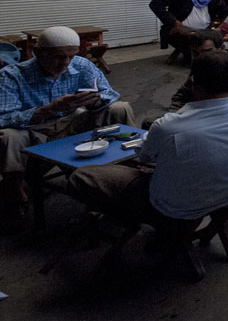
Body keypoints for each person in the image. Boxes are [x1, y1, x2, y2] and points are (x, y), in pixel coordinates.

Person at [67, 50, 228, 225]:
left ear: (193, 84)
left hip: (174, 207)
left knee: (82, 176)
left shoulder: (170, 126)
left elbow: (143, 156)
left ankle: (117, 219)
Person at [0, 26, 136, 231]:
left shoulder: (80, 65)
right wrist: (49, 109)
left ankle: (128, 175)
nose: (65, 62)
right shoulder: (11, 75)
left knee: (119, 108)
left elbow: (108, 94)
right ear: (38, 53)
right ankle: (15, 196)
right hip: (34, 129)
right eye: (59, 56)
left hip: (72, 121)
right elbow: (4, 117)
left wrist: (95, 101)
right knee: (8, 136)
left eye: (71, 56)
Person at [149, 0, 228, 64]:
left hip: (204, 31)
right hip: (180, 31)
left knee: (216, 38)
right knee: (196, 42)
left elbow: (223, 14)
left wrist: (220, 1)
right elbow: (155, 4)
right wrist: (173, 21)